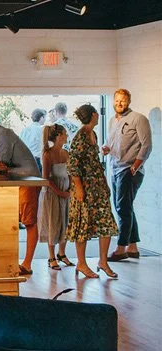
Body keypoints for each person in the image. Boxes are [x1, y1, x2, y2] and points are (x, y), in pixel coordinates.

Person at [0, 107, 41, 276]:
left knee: (29, 222)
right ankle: (11, 261)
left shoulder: (3, 135)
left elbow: (0, 164)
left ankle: (27, 264)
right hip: (19, 180)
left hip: (28, 180)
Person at [67, 104, 119, 279]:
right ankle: (81, 263)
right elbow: (73, 165)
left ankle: (103, 261)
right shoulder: (79, 137)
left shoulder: (93, 134)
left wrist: (104, 183)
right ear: (94, 115)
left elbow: (95, 163)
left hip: (97, 187)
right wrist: (79, 188)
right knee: (82, 224)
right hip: (84, 188)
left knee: (106, 223)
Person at [103, 88, 153, 261]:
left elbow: (146, 145)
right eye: (117, 100)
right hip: (115, 168)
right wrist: (105, 148)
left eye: (123, 101)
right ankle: (133, 247)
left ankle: (120, 248)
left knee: (122, 208)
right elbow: (110, 143)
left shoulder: (138, 119)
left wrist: (136, 166)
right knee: (125, 207)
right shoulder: (111, 121)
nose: (119, 103)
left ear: (129, 101)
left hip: (129, 169)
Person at [38, 124, 72, 270]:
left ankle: (62, 253)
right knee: (52, 222)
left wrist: (69, 189)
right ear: (58, 136)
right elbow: (46, 178)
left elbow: (70, 172)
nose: (66, 136)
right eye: (64, 133)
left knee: (65, 222)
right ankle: (51, 256)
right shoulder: (48, 154)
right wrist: (60, 192)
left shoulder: (66, 153)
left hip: (65, 190)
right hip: (52, 193)